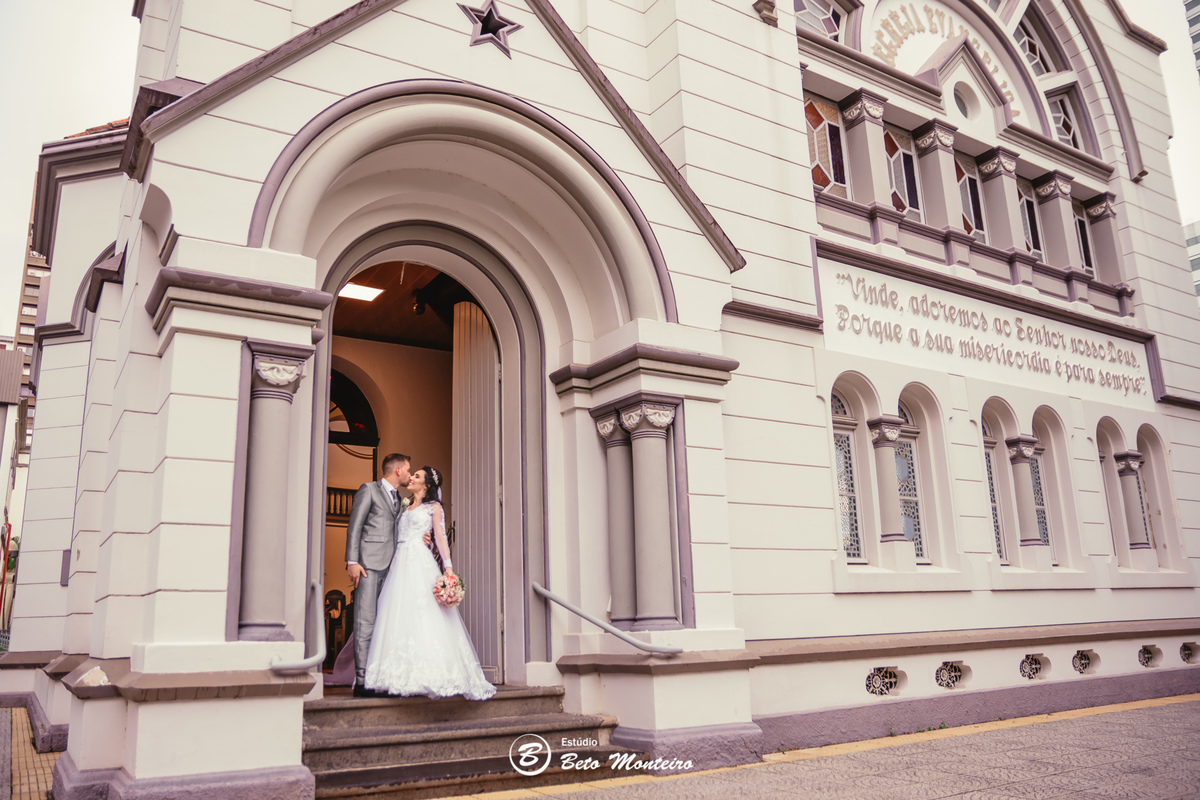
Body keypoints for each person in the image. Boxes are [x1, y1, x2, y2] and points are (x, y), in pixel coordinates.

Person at [363, 466, 496, 700]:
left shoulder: (433, 508)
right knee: (396, 613)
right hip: (398, 562)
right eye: (411, 474)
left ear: (426, 486)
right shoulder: (402, 505)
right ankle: (391, 674)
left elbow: (441, 537)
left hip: (419, 561)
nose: (411, 478)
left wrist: (449, 569)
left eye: (416, 476)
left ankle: (429, 674)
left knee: (423, 613)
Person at [343, 452, 426, 697]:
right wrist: (352, 561)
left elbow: (402, 527)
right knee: (365, 620)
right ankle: (362, 681)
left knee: (386, 623)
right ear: (397, 470)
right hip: (368, 566)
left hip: (393, 567)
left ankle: (380, 677)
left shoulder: (400, 499)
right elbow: (355, 525)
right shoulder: (368, 490)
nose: (410, 474)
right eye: (408, 470)